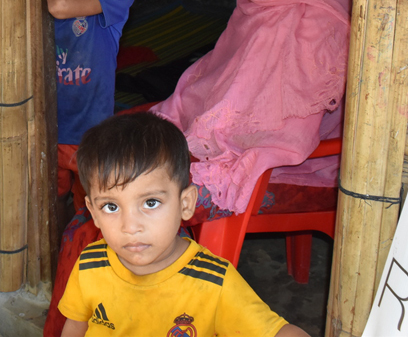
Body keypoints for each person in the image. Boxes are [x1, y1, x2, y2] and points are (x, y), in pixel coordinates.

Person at [44, 0, 356, 336]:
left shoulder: (319, 22)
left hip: (283, 159)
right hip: (221, 131)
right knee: (125, 150)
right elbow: (219, 80)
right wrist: (191, 122)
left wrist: (204, 137)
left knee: (135, 175)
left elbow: (283, 127)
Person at [154, 0, 356, 214]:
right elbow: (226, 78)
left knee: (141, 186)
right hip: (240, 134)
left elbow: (289, 132)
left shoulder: (319, 22)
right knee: (126, 155)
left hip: (290, 163)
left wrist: (212, 137)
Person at [59, 112, 310, 337]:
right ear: (93, 212)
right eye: (111, 207)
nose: (130, 226)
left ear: (185, 203)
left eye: (151, 202)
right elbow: (74, 327)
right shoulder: (90, 265)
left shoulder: (213, 282)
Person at [47, 0, 143, 206]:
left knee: (90, 209)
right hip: (45, 123)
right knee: (48, 208)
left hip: (89, 131)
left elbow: (60, 7)